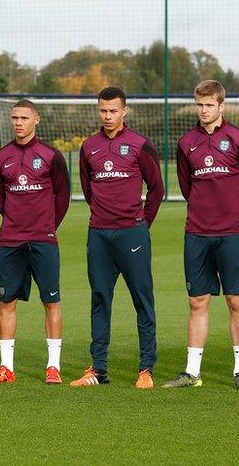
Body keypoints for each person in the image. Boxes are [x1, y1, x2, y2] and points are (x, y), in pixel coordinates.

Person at [163, 79, 239, 390]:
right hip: (197, 233)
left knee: (235, 300)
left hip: (231, 233)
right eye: (200, 105)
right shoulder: (186, 143)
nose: (204, 110)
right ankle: (192, 372)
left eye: (209, 105)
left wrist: (234, 217)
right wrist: (204, 216)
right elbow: (187, 187)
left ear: (221, 106)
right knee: (197, 301)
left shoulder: (238, 139)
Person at [70, 86, 163, 389]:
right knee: (99, 298)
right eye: (103, 110)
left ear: (125, 111)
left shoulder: (140, 145)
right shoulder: (89, 147)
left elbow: (157, 188)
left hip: (131, 233)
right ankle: (98, 369)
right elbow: (88, 188)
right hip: (99, 234)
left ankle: (146, 369)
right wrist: (103, 216)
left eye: (113, 111)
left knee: (142, 300)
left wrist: (140, 224)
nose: (107, 116)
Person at [0, 99, 70, 385]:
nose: (18, 122)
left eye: (24, 117)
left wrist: (45, 227)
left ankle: (53, 367)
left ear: (36, 120)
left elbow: (63, 197)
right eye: (14, 118)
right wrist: (16, 223)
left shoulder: (51, 155)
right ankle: (6, 367)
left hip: (43, 241)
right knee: (7, 301)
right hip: (10, 241)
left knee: (51, 302)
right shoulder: (0, 158)